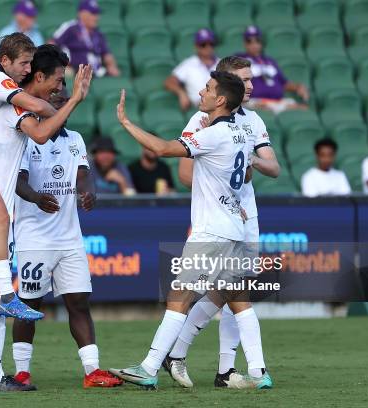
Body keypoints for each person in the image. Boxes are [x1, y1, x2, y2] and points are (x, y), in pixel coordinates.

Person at [109, 71, 272, 390]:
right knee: (239, 299)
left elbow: (163, 149)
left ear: (221, 99)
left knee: (179, 298)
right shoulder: (241, 132)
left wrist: (126, 123)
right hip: (234, 230)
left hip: (210, 233)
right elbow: (247, 175)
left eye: (208, 89)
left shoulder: (214, 134)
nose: (201, 92)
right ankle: (258, 372)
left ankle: (150, 366)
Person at [0, 44, 93, 392]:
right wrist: (74, 100)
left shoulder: (12, 102)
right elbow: (43, 132)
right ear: (38, 77)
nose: (60, 88)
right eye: (57, 81)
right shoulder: (14, 104)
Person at [167, 56, 280, 390]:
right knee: (226, 291)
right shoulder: (202, 119)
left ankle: (222, 368)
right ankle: (235, 368)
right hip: (221, 216)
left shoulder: (255, 121)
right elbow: (185, 173)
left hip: (248, 216)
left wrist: (247, 155)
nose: (250, 86)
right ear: (225, 88)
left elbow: (273, 168)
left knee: (227, 292)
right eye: (242, 80)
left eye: (251, 79)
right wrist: (225, 191)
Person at [11, 89, 123, 389]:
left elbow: (83, 174)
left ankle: (92, 371)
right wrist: (35, 198)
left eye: (64, 103)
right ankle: (22, 372)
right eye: (56, 102)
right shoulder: (27, 138)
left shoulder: (75, 139)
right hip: (34, 237)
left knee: (79, 303)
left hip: (70, 238)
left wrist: (89, 192)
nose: (61, 107)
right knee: (29, 306)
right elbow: (17, 182)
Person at [237, 25, 309, 114]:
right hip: (255, 102)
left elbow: (284, 83)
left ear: (261, 43)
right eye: (249, 41)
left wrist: (298, 87)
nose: (254, 44)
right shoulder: (239, 59)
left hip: (276, 101)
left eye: (257, 40)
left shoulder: (269, 61)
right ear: (244, 43)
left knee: (302, 108)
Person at [51, 0, 120, 77]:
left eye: (97, 14)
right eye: (93, 13)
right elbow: (51, 45)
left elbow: (106, 54)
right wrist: (60, 65)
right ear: (82, 13)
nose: (97, 17)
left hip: (97, 72)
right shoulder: (70, 27)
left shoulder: (98, 33)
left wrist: (111, 65)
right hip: (75, 72)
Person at [165, 28, 220, 111]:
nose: (208, 47)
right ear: (196, 46)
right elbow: (170, 81)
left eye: (211, 44)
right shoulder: (188, 64)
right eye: (203, 44)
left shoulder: (222, 63)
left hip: (221, 104)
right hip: (200, 106)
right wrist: (181, 93)